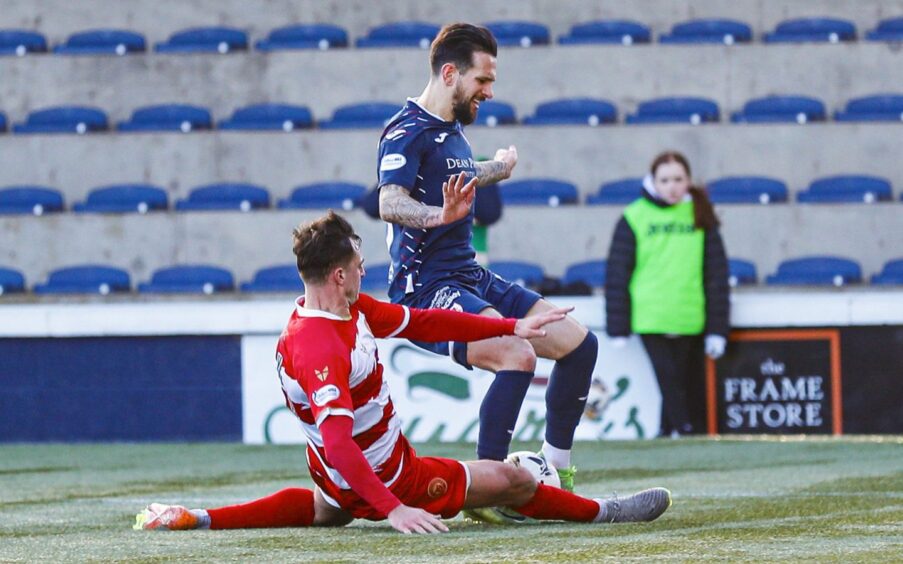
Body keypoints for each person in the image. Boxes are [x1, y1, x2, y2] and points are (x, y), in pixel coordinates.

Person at [134, 208, 672, 534]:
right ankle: (603, 511)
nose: (367, 273)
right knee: (512, 477)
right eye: (361, 267)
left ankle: (200, 517)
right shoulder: (320, 344)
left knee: (329, 510)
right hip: (392, 477)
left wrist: (511, 326)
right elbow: (341, 438)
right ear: (339, 273)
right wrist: (394, 508)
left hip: (334, 478)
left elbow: (425, 318)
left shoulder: (340, 310)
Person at [376, 22, 598, 497]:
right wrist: (439, 214)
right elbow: (388, 201)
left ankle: (557, 474)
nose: (490, 91)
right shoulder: (405, 131)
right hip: (427, 289)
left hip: (469, 276)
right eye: (483, 80)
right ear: (451, 73)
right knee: (516, 353)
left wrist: (499, 168)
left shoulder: (451, 128)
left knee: (580, 346)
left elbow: (458, 172)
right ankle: (489, 488)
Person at [604, 151, 730, 437]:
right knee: (669, 378)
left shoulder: (701, 213)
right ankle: (685, 429)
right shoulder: (634, 216)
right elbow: (617, 272)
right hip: (649, 314)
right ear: (653, 182)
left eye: (678, 179)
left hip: (689, 314)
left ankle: (665, 430)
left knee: (681, 379)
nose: (672, 186)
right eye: (665, 180)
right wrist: (618, 325)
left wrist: (717, 329)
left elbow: (716, 274)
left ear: (688, 180)